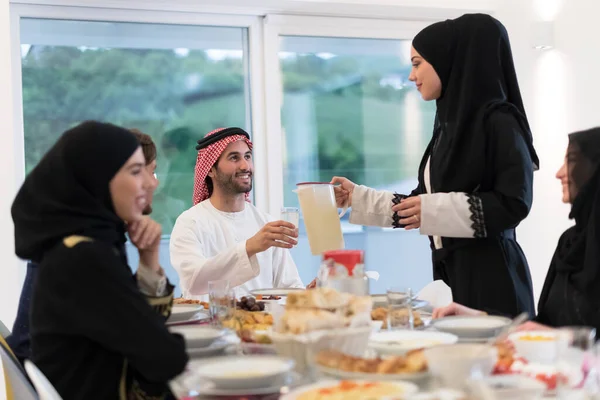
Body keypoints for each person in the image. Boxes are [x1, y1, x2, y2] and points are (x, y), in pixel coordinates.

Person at [331, 14, 539, 317]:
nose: (411, 76)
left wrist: (432, 210)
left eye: (417, 63)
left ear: (447, 61)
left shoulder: (501, 121)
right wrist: (357, 198)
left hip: (493, 278)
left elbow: (514, 202)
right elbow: (423, 202)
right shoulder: (449, 127)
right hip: (452, 274)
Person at [11, 121, 188, 399]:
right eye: (135, 171)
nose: (150, 182)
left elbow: (148, 334)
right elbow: (165, 357)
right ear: (97, 179)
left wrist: (149, 258)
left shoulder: (90, 244)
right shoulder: (82, 258)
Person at [434, 128, 600, 333]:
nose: (559, 173)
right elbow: (543, 326)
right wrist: (479, 318)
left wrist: (560, 340)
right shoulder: (570, 242)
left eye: (572, 161)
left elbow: (556, 335)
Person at [170, 127, 308, 299]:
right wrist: (249, 247)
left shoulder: (265, 222)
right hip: (210, 324)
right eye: (234, 158)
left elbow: (289, 287)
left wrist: (308, 294)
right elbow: (194, 281)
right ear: (211, 170)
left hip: (262, 324)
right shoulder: (190, 222)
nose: (245, 166)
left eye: (248, 157)